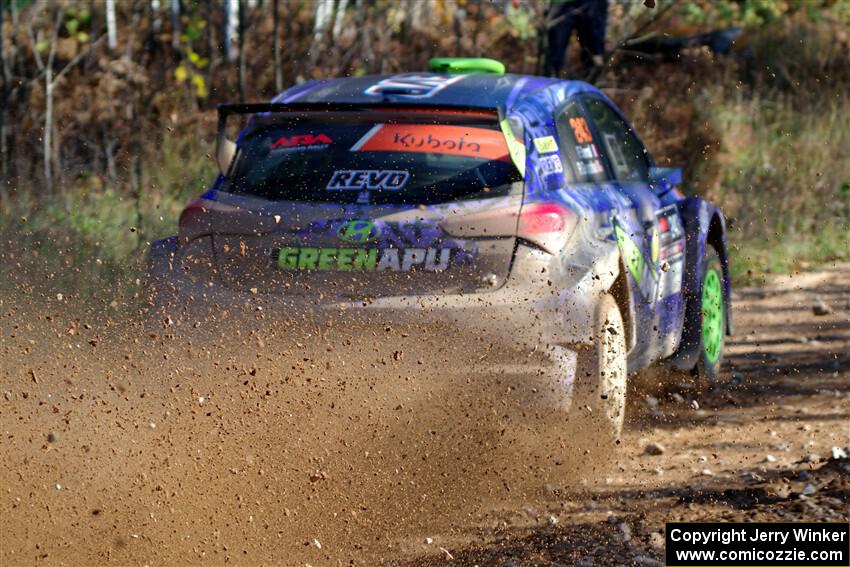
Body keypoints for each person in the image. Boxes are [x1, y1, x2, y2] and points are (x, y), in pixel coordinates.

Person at [543, 0, 609, 78]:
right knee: (555, 51)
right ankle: (549, 82)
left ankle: (593, 84)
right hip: (562, 3)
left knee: (594, 51)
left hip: (594, 3)